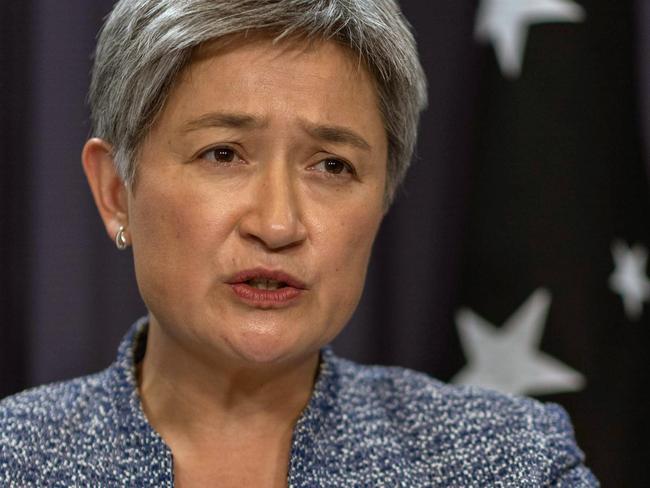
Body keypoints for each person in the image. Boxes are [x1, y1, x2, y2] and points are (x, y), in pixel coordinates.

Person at [0, 0, 598, 486]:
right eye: (223, 154)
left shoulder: (511, 463)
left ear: (384, 199)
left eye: (333, 166)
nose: (279, 224)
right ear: (115, 191)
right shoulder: (15, 459)